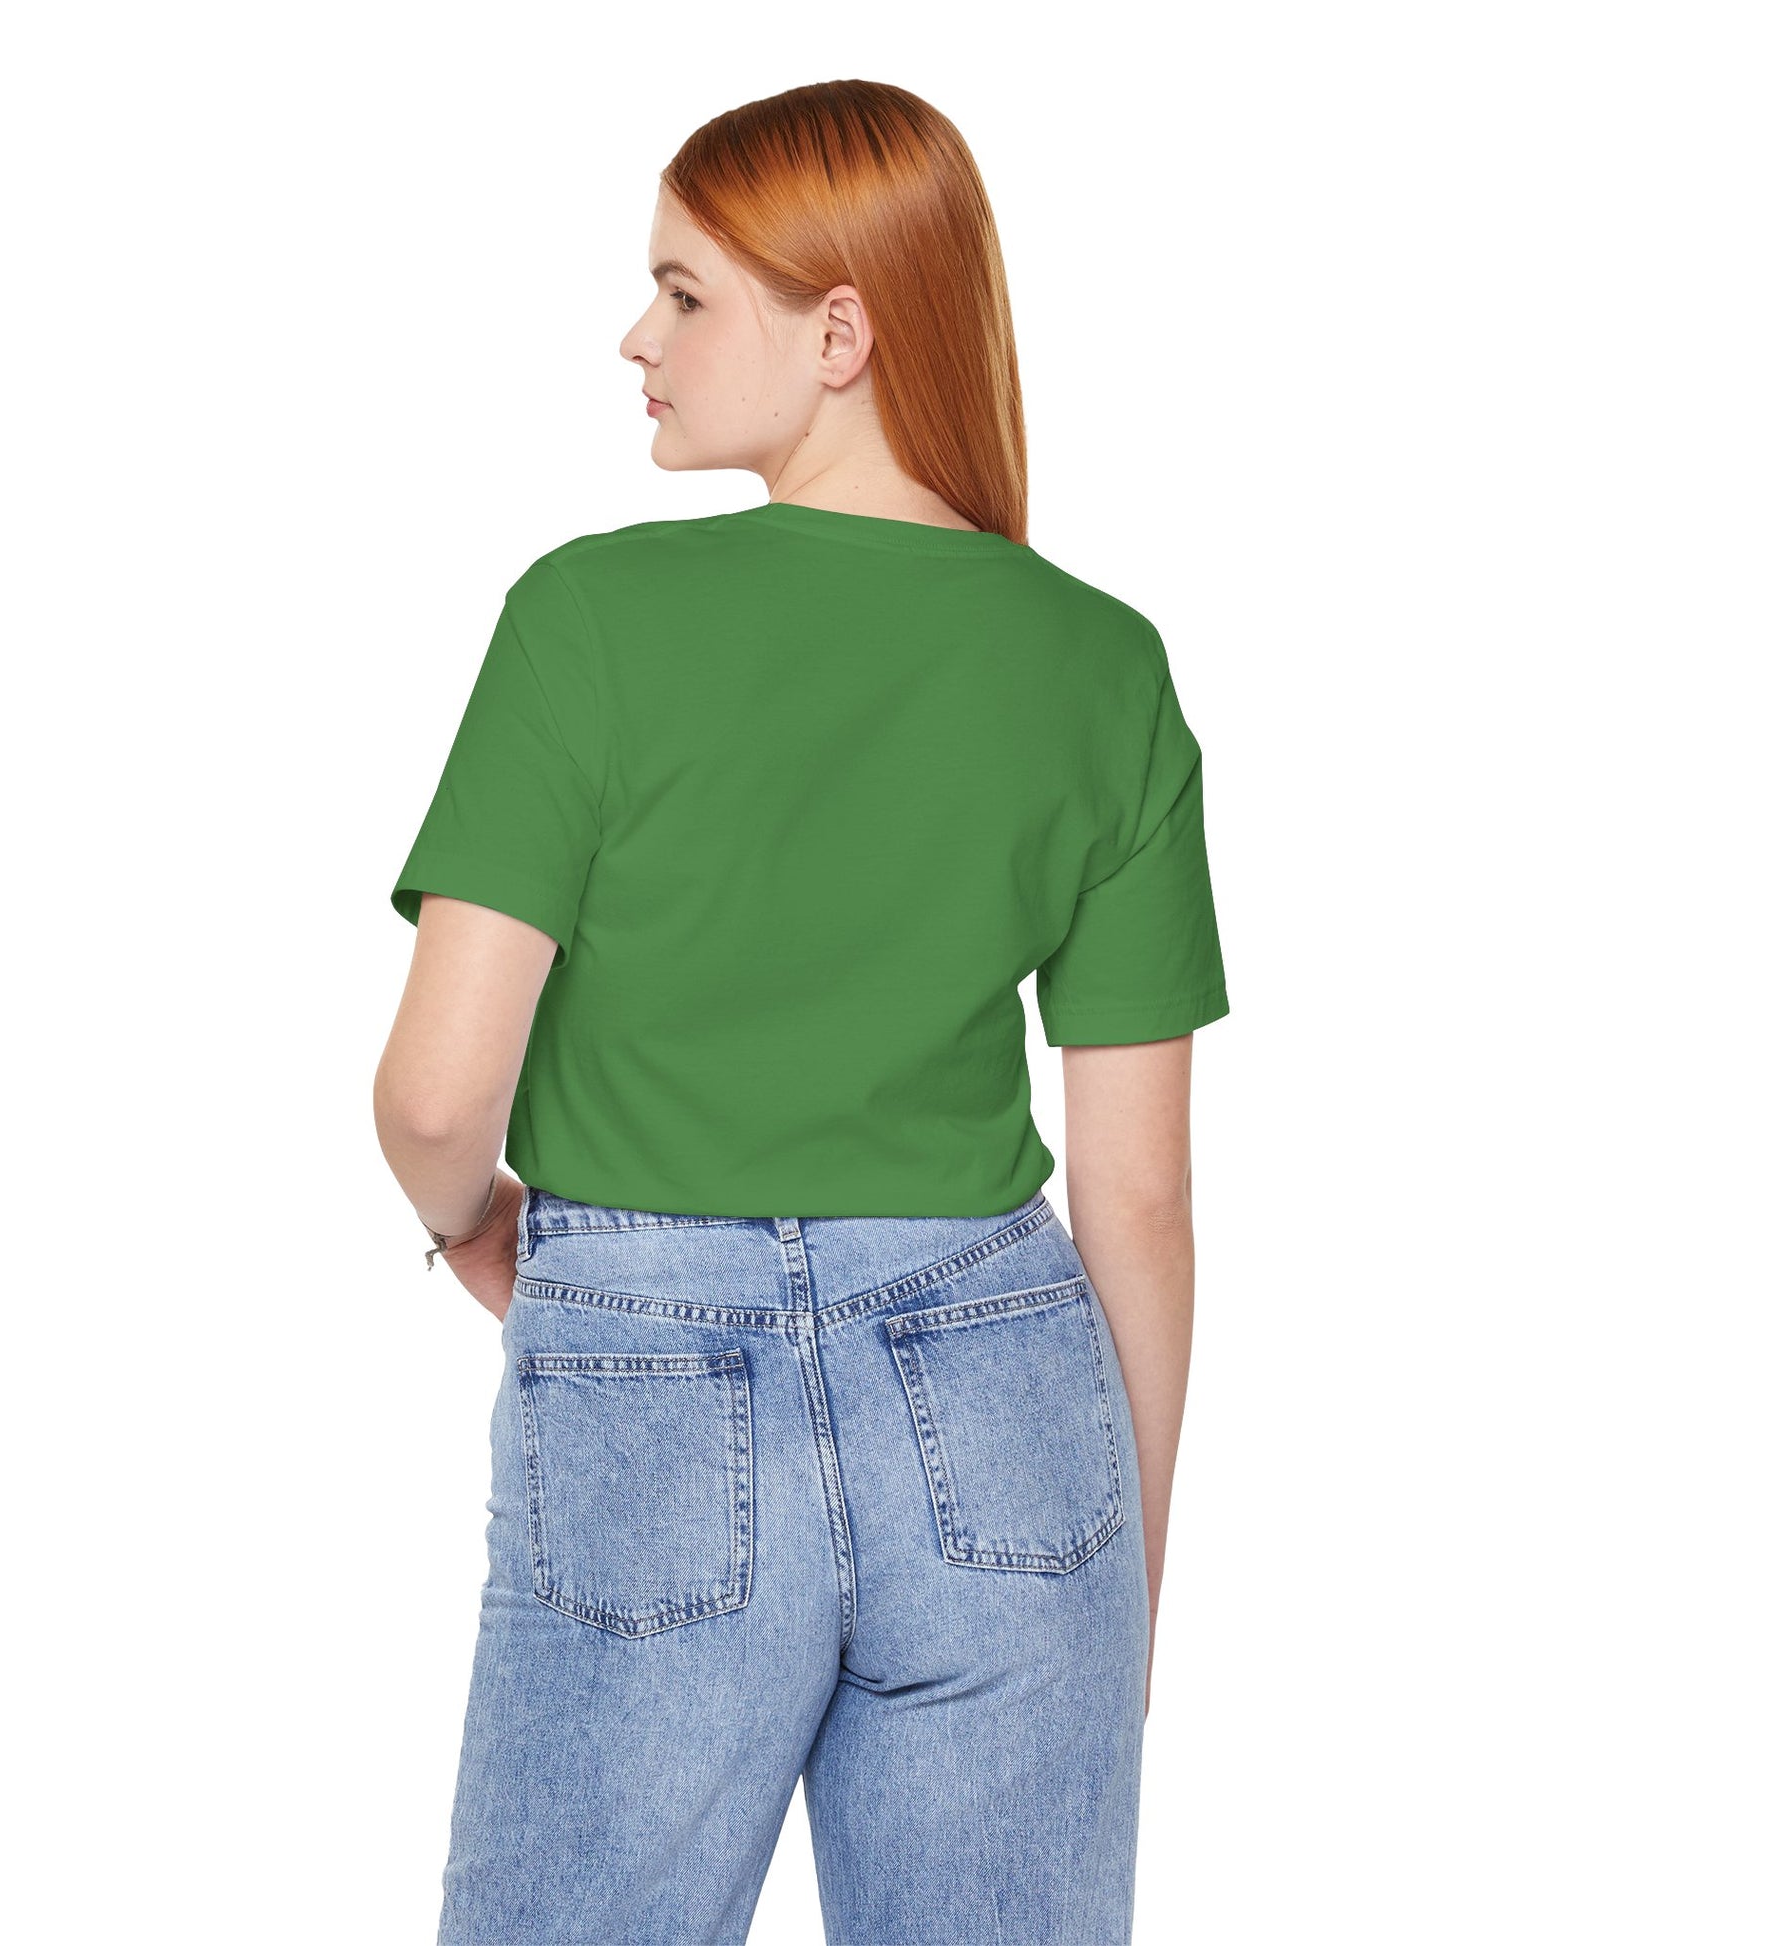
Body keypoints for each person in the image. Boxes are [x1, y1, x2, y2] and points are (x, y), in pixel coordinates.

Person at [374, 77, 1229, 1946]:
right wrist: (1123, 1579)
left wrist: (477, 1232)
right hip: (1008, 1407)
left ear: (839, 333)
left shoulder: (589, 617)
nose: (637, 337)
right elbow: (1140, 1200)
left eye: (684, 293)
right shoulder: (1102, 663)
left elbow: (437, 1097)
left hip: (647, 1381)